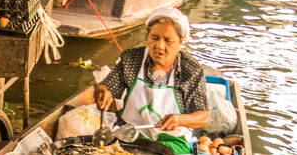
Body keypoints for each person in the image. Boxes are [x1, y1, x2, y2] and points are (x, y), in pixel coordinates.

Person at [88, 7, 210, 139]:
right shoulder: (131, 59)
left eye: (167, 40)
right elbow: (106, 87)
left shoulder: (191, 70)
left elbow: (203, 117)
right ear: (147, 37)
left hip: (171, 138)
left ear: (181, 40)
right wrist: (102, 92)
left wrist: (180, 120)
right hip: (129, 132)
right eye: (154, 38)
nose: (159, 46)